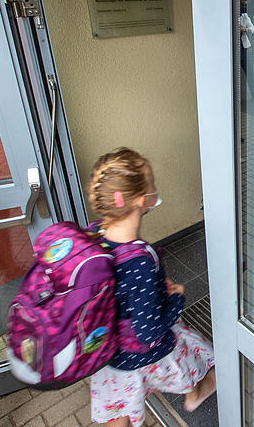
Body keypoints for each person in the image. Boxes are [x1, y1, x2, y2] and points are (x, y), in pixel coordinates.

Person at [88, 148, 216, 426]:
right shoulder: (140, 261)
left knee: (120, 411)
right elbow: (149, 332)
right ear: (139, 201)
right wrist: (176, 301)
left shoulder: (96, 233)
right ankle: (196, 393)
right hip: (141, 352)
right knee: (197, 353)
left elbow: (120, 290)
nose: (155, 191)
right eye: (152, 186)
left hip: (110, 354)